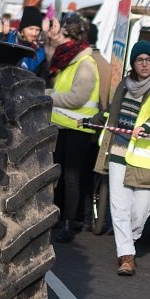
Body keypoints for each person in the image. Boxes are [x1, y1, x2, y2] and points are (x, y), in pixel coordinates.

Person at [96, 39, 150, 276]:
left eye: (148, 60)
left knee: (141, 210)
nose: (144, 64)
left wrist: (149, 126)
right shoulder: (124, 85)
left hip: (145, 159)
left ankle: (129, 238)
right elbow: (113, 112)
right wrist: (96, 118)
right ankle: (126, 256)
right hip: (119, 153)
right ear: (133, 63)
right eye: (139, 60)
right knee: (119, 208)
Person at [47, 14, 99, 243]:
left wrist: (48, 97)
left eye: (62, 36)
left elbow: (77, 97)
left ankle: (69, 222)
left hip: (79, 128)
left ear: (71, 39)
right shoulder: (68, 59)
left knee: (71, 177)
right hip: (62, 126)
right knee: (59, 175)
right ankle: (57, 218)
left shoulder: (85, 64)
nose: (59, 40)